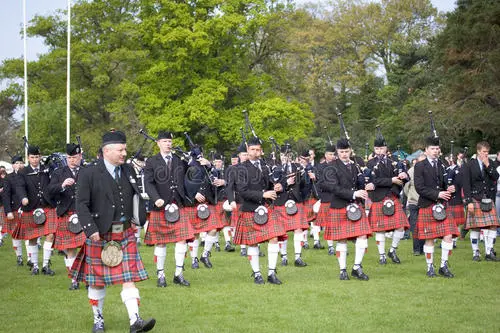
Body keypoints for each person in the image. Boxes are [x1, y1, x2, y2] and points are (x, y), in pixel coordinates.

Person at [70, 130, 155, 333]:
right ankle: (98, 319)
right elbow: (81, 204)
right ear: (107, 150)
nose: (124, 153)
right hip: (100, 233)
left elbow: (135, 197)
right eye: (121, 149)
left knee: (129, 278)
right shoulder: (89, 172)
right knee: (98, 281)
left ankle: (135, 320)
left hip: (124, 233)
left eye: (125, 149)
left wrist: (137, 218)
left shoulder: (128, 170)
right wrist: (90, 229)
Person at [143, 131, 195, 287]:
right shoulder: (152, 162)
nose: (168, 144)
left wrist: (199, 162)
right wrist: (156, 198)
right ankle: (161, 275)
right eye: (164, 141)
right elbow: (148, 182)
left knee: (182, 239)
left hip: (178, 204)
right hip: (160, 206)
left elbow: (191, 176)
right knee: (160, 242)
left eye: (169, 141)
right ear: (158, 143)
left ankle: (178, 274)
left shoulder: (179, 161)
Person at [234, 136, 286, 284]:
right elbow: (242, 191)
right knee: (253, 243)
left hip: (267, 208)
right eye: (252, 149)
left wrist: (278, 187)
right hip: (250, 209)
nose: (255, 152)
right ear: (247, 149)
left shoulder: (266, 166)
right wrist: (263, 194)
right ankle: (257, 274)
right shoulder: (240, 168)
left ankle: (271, 273)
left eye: (258, 150)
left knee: (274, 237)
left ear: (261, 151)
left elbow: (273, 184)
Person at [322, 138, 373, 281]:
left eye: (346, 151)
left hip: (355, 206)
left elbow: (359, 184)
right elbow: (332, 187)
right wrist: (353, 193)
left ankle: (357, 267)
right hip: (339, 205)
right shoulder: (331, 167)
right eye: (341, 152)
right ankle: (342, 269)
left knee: (363, 235)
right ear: (337, 152)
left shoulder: (355, 165)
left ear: (350, 151)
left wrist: (366, 181)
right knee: (342, 239)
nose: (344, 154)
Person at [414, 136, 459, 278]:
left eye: (437, 149)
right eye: (432, 149)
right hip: (428, 204)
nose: (435, 151)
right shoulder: (419, 166)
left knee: (448, 236)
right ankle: (430, 267)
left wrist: (451, 189)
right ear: (426, 150)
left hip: (442, 206)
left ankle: (443, 266)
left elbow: (446, 185)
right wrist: (438, 194)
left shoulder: (442, 165)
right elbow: (419, 188)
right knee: (430, 238)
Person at [14, 144, 58, 276]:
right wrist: (23, 198)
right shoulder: (23, 171)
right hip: (31, 207)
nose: (35, 159)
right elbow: (20, 187)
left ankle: (45, 265)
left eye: (37, 157)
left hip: (47, 206)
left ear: (40, 157)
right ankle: (35, 266)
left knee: (50, 234)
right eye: (32, 157)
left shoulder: (47, 169)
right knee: (32, 238)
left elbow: (53, 182)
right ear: (28, 158)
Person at [367, 131, 410, 265]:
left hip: (393, 196)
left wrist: (404, 176)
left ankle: (392, 250)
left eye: (382, 148)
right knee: (380, 229)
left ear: (386, 149)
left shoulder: (395, 162)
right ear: (374, 149)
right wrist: (391, 180)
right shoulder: (370, 164)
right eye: (377, 148)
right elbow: (373, 181)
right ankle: (382, 256)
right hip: (378, 197)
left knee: (401, 227)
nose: (379, 151)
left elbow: (404, 178)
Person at [47, 143, 86, 290]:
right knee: (70, 248)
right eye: (69, 157)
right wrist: (62, 185)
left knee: (86, 247)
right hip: (66, 212)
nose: (72, 160)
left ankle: (87, 277)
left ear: (80, 156)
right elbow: (50, 190)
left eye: (75, 157)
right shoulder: (59, 173)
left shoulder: (87, 171)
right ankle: (74, 279)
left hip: (84, 214)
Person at [462, 141, 500, 261]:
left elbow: (496, 177)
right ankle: (476, 252)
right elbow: (466, 184)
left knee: (493, 225)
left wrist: (488, 165)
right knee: (475, 227)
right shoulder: (469, 165)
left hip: (489, 198)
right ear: (478, 151)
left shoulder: (491, 163)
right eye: (484, 152)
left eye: (487, 152)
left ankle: (489, 252)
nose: (486, 154)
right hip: (475, 198)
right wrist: (469, 202)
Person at [2, 154, 26, 265]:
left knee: (29, 234)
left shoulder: (28, 175)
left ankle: (31, 259)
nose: (19, 165)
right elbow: (6, 196)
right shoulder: (8, 178)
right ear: (13, 165)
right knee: (15, 235)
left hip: (27, 209)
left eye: (21, 163)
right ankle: (19, 257)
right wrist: (8, 211)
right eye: (17, 163)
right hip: (14, 209)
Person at [316, 142, 338, 255]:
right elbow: (320, 183)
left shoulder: (338, 165)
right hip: (327, 197)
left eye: (334, 154)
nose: (332, 156)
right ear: (325, 155)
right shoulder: (320, 167)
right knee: (329, 224)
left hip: (338, 198)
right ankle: (330, 247)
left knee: (339, 223)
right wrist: (334, 187)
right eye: (330, 154)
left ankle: (339, 247)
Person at [404, 154, 426, 255]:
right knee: (415, 226)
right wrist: (410, 196)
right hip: (414, 202)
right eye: (420, 161)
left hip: (425, 202)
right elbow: (406, 186)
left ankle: (422, 248)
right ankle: (416, 249)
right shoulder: (411, 171)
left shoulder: (429, 170)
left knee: (424, 226)